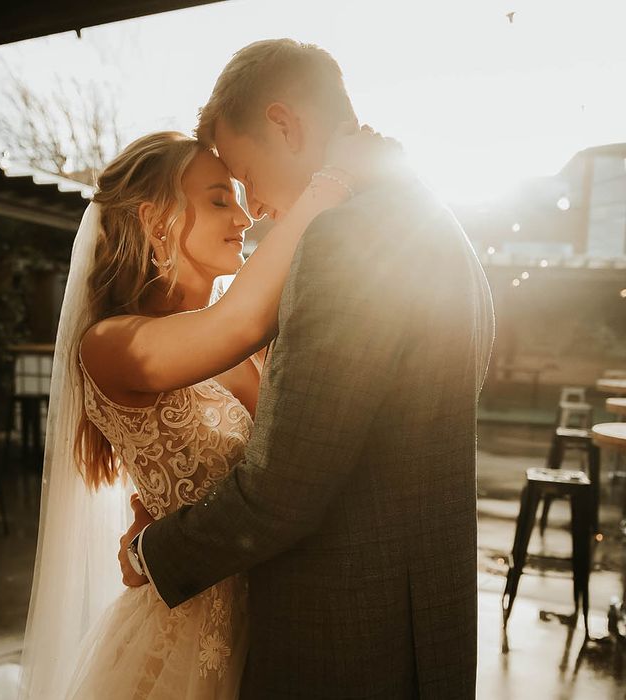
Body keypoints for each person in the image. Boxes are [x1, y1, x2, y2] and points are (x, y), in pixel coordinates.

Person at [119, 39, 495, 699]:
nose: (254, 206)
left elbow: (284, 488)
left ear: (285, 125)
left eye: (244, 173)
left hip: (343, 641)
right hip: (419, 622)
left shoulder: (344, 238)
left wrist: (152, 550)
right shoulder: (435, 221)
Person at [18, 124, 371, 700]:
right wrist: (330, 182)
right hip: (185, 638)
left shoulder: (245, 343)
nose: (243, 219)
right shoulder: (111, 344)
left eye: (237, 198)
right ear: (157, 222)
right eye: (218, 200)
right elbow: (236, 320)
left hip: (278, 625)